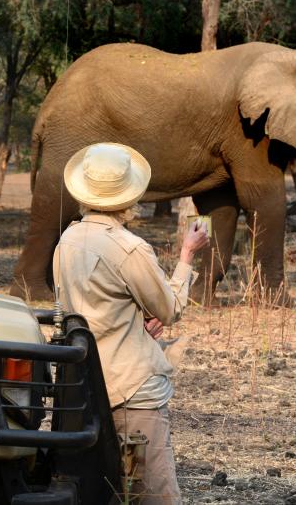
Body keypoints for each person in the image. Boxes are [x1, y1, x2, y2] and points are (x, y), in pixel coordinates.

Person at [54, 142, 208, 504]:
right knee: (153, 494)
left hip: (86, 388)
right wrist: (187, 255)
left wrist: (133, 316)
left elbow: (86, 306)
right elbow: (169, 309)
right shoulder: (128, 247)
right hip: (132, 389)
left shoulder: (67, 239)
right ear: (129, 195)